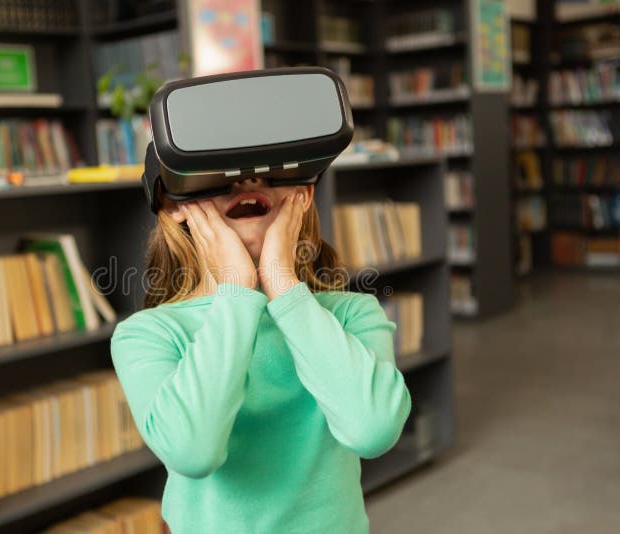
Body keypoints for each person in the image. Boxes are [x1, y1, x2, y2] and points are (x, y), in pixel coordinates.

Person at [110, 174, 411, 533]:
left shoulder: (352, 314)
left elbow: (373, 431)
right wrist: (236, 290)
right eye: (220, 170)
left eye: (272, 168)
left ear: (304, 193)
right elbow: (193, 452)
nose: (248, 179)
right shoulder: (146, 334)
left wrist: (283, 285)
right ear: (175, 202)